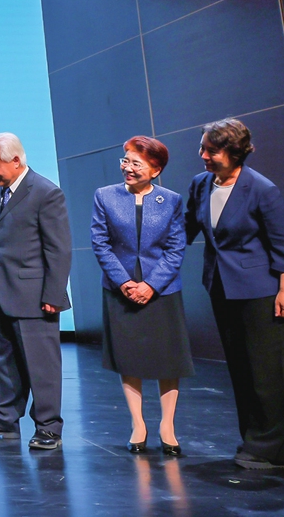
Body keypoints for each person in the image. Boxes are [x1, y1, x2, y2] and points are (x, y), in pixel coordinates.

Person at [185, 118, 284, 469]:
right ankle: (253, 438)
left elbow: (282, 245)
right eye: (203, 147)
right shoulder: (201, 184)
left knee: (267, 371)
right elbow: (186, 227)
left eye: (211, 150)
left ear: (234, 153)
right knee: (241, 369)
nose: (202, 155)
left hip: (261, 291)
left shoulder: (262, 189)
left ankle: (271, 448)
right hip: (221, 287)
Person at [0, 133, 71, 450]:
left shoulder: (46, 193)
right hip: (2, 289)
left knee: (42, 365)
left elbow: (59, 249)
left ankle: (48, 426)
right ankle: (5, 419)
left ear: (15, 160)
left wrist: (54, 295)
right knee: (6, 360)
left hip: (35, 295)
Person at [91, 136, 192, 456]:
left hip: (162, 292)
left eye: (136, 163)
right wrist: (124, 283)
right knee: (129, 357)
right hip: (120, 291)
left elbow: (176, 249)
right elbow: (100, 243)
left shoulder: (171, 200)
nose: (128, 168)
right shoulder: (105, 196)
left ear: (155, 169)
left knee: (168, 360)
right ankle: (138, 424)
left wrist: (151, 285)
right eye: (126, 161)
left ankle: (167, 426)